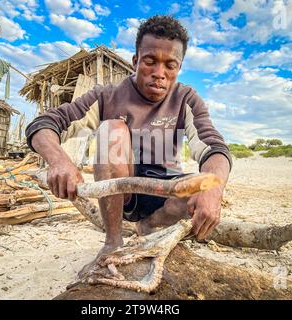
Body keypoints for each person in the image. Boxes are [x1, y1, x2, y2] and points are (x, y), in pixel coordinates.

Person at [25, 15, 232, 258]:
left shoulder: (186, 99)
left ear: (178, 68)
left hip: (164, 192)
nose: (159, 73)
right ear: (135, 61)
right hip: (121, 193)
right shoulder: (106, 96)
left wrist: (212, 186)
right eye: (150, 61)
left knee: (202, 186)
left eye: (170, 65)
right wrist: (59, 161)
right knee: (112, 129)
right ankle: (113, 241)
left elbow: (213, 147)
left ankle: (149, 226)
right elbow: (45, 124)